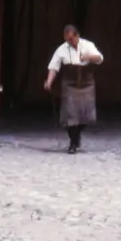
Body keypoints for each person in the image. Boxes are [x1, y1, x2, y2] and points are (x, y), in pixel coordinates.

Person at [44, 24, 103, 154]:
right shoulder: (61, 49)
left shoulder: (88, 45)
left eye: (71, 39)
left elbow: (99, 58)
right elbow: (53, 67)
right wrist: (49, 81)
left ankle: (76, 137)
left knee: (86, 114)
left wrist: (88, 57)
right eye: (67, 39)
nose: (69, 42)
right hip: (69, 84)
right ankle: (73, 143)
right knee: (70, 115)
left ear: (77, 36)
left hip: (86, 83)